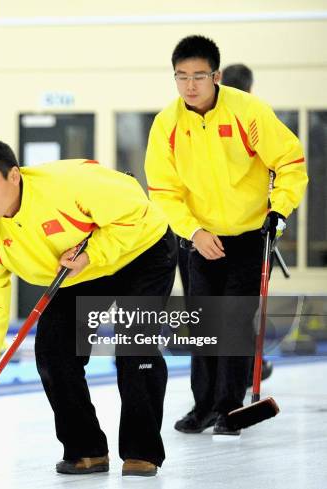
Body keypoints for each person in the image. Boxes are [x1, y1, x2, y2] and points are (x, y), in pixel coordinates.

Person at [0, 139, 177, 477]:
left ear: (13, 176)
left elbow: (137, 213)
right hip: (78, 271)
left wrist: (94, 253)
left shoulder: (71, 184)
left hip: (142, 252)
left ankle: (142, 450)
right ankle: (86, 449)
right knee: (54, 352)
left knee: (135, 347)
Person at [145, 35, 307, 436]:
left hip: (251, 237)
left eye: (199, 76)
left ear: (215, 75)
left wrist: (279, 211)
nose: (190, 85)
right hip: (199, 240)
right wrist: (194, 231)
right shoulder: (167, 124)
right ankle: (202, 407)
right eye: (181, 77)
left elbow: (290, 163)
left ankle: (229, 407)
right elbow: (164, 191)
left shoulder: (248, 112)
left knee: (233, 322)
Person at [221, 62, 273, 384]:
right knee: (239, 310)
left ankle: (240, 372)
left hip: (235, 226)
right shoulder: (258, 114)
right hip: (248, 226)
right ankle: (245, 369)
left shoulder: (230, 115)